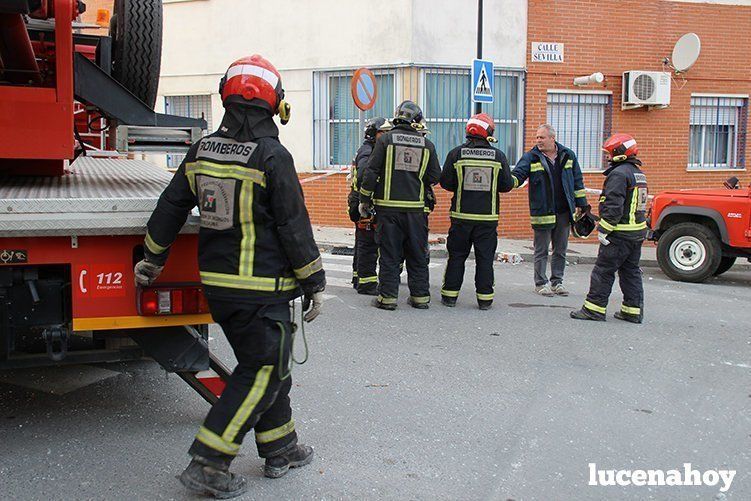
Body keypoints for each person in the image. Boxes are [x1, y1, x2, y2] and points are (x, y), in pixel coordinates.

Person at [133, 54, 325, 499]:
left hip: (221, 290)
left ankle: (282, 447)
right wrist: (314, 282)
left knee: (270, 367)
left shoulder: (201, 151)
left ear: (225, 96)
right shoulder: (272, 156)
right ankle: (209, 462)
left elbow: (171, 206)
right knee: (263, 369)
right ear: (275, 104)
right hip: (262, 292)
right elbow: (294, 227)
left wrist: (153, 257)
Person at [359, 100, 441, 310]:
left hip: (388, 210)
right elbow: (434, 176)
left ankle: (387, 299)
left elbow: (371, 172)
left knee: (389, 254)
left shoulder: (385, 140)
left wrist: (364, 199)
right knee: (417, 253)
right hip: (416, 211)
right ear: (416, 120)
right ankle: (420, 298)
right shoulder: (427, 144)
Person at [439, 113, 513, 310]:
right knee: (485, 260)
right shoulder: (498, 156)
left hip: (461, 218)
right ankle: (485, 300)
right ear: (488, 132)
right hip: (487, 220)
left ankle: (450, 297)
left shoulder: (456, 154)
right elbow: (506, 186)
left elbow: (445, 182)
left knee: (456, 257)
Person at [571, 133, 647, 323]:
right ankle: (632, 311)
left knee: (603, 271)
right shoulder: (638, 173)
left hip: (619, 234)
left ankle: (593, 309)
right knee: (631, 271)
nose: (607, 157)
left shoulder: (619, 174)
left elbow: (613, 205)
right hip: (636, 234)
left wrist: (604, 229)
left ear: (620, 153)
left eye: (610, 153)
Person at [511, 124, 588, 297]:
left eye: (542, 137)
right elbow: (518, 175)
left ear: (552, 138)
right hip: (543, 211)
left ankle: (557, 282)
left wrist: (582, 205)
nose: (538, 140)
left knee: (560, 249)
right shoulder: (531, 157)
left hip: (563, 211)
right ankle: (540, 283)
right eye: (537, 137)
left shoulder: (568, 155)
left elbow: (577, 181)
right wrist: (507, 182)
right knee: (541, 250)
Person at [348, 118, 392, 295]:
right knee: (368, 244)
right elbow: (365, 173)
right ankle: (367, 283)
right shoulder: (368, 152)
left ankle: (358, 278)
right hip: (364, 203)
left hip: (361, 201)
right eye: (384, 132)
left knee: (362, 242)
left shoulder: (370, 149)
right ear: (374, 134)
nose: (387, 135)